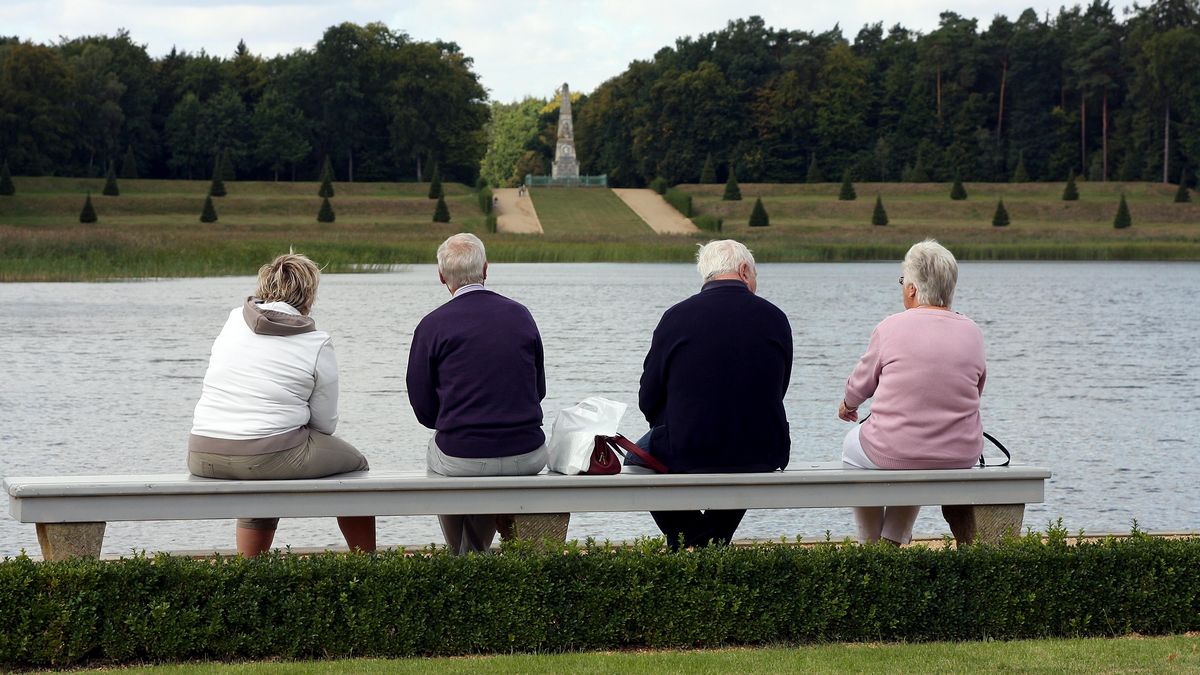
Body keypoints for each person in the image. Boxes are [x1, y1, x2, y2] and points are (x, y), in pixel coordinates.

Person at [188, 252, 375, 557]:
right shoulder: (317, 341)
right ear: (309, 294)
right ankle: (368, 565)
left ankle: (250, 568)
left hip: (202, 453)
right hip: (266, 457)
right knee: (356, 465)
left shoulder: (234, 318)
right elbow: (325, 424)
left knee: (262, 467)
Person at [633, 239, 792, 550]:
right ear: (745, 270)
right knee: (744, 447)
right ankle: (713, 541)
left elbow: (648, 398)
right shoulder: (775, 318)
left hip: (691, 445)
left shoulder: (676, 317)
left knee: (637, 457)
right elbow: (777, 389)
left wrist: (675, 422)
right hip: (765, 448)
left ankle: (691, 539)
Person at [838, 239, 986, 546]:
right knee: (917, 455)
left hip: (898, 449)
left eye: (903, 281)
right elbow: (977, 388)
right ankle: (892, 538)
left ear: (913, 289)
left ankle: (870, 542)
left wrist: (847, 404)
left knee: (854, 449)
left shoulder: (890, 327)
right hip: (960, 452)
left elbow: (861, 384)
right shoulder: (972, 331)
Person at [407, 233, 547, 555]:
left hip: (462, 456)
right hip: (528, 453)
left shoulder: (432, 326)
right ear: (486, 269)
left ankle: (466, 555)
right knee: (475, 458)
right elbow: (538, 390)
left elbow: (424, 411)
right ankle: (478, 551)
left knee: (443, 454)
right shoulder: (521, 315)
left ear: (442, 276)